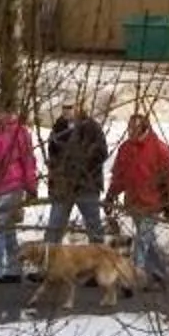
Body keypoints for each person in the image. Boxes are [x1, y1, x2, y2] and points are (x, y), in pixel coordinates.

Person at [106, 109, 169, 283]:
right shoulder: (125, 148)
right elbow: (120, 175)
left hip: (153, 202)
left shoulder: (159, 148)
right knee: (147, 239)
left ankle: (135, 273)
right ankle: (159, 272)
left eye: (134, 128)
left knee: (142, 240)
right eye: (129, 128)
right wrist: (111, 194)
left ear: (144, 129)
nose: (130, 132)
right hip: (134, 201)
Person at [0, 104, 37, 282]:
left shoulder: (18, 132)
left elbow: (28, 160)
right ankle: (13, 268)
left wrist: (31, 185)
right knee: (8, 228)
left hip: (12, 183)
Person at [43, 98, 109, 246]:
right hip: (63, 186)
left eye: (70, 107)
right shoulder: (58, 128)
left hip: (86, 185)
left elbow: (101, 154)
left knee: (94, 227)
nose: (66, 111)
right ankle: (50, 257)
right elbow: (52, 155)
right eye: (64, 107)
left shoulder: (92, 128)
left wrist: (82, 164)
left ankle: (98, 256)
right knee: (54, 227)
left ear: (79, 107)